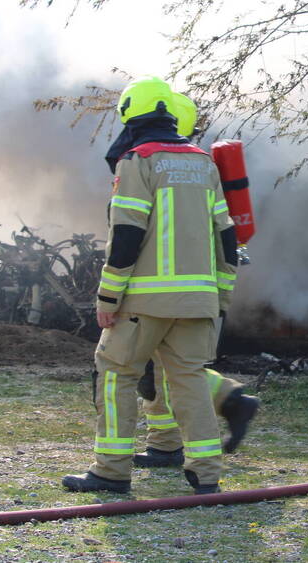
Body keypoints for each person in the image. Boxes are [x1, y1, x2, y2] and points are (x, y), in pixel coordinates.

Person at [62, 76, 237, 495]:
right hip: (198, 301)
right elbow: (227, 235)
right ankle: (206, 474)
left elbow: (125, 234)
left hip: (143, 301)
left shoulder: (137, 160)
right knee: (190, 379)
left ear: (128, 114)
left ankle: (111, 470)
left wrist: (108, 295)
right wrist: (222, 297)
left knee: (115, 373)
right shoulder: (203, 162)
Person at [133, 92, 259, 468]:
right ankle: (165, 445)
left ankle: (232, 402)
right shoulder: (197, 167)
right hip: (195, 286)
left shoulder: (165, 168)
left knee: (170, 367)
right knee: (161, 367)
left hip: (169, 287)